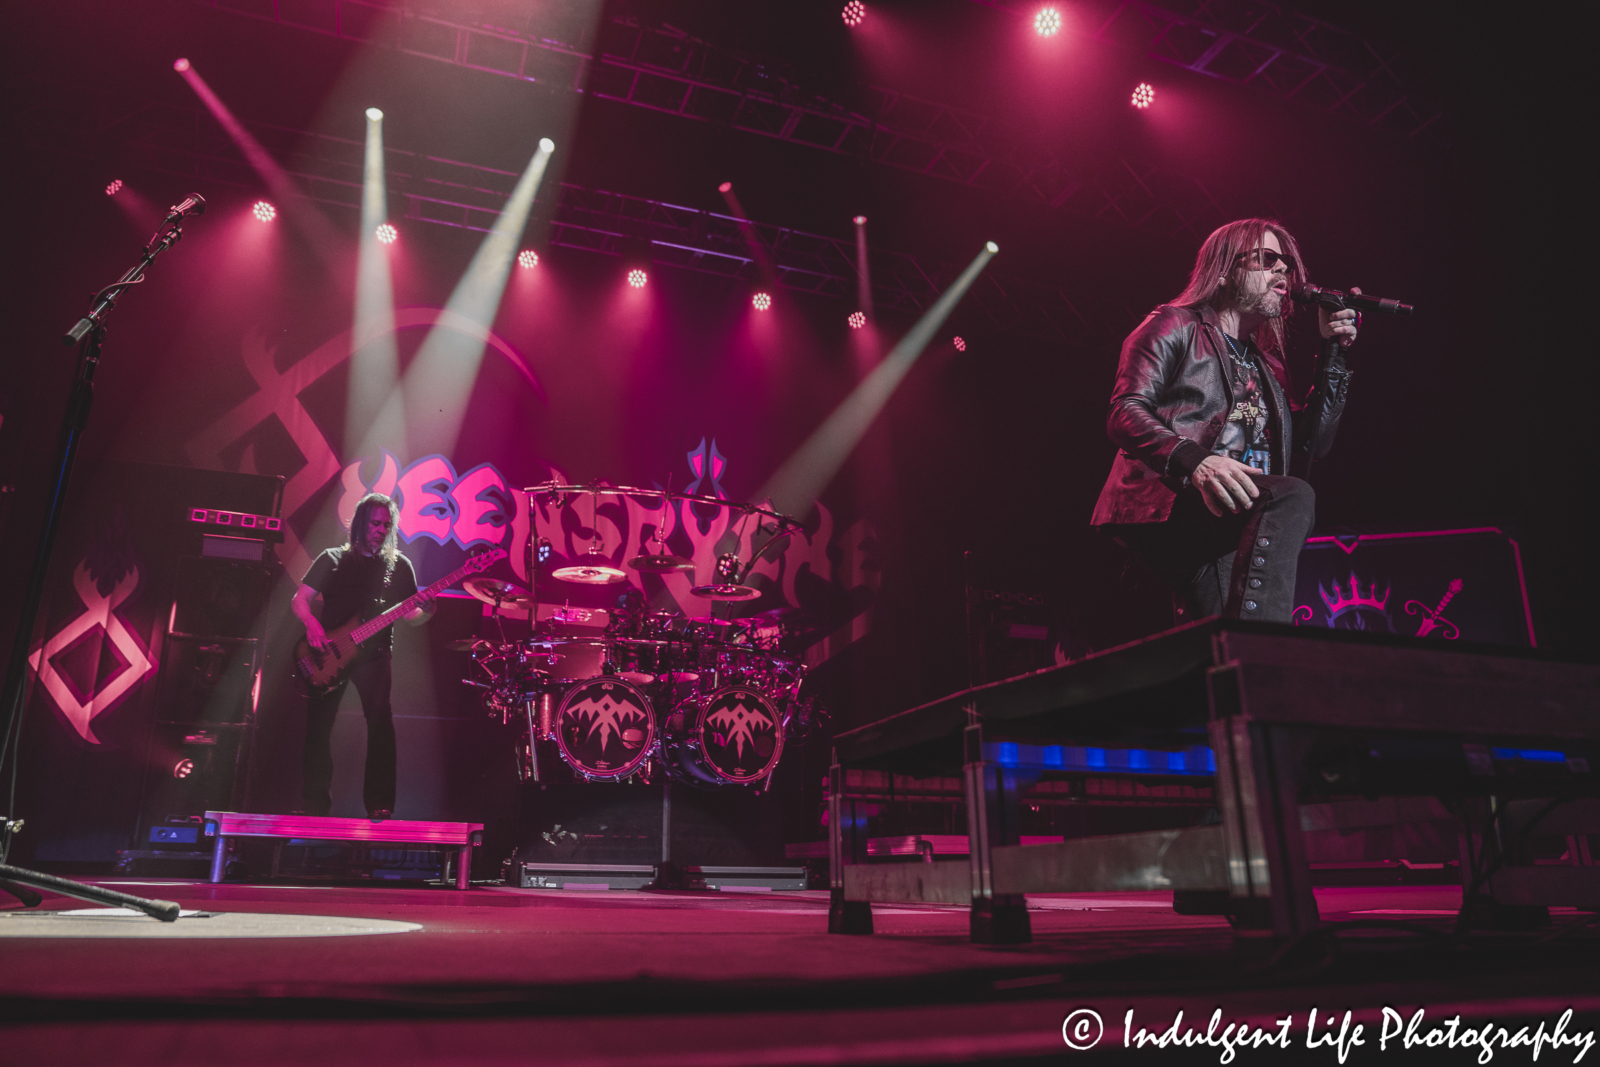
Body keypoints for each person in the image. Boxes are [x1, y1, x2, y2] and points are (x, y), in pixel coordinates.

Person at [1090, 218, 1358, 623]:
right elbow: (1124, 412)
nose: (1283, 269)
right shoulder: (1174, 324)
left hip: (1230, 517)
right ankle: (1265, 643)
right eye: (1267, 259)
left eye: (1286, 262)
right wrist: (1196, 461)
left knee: (1216, 645)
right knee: (1291, 495)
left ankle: (1248, 658)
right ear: (1223, 270)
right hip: (1171, 501)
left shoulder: (1268, 365)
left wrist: (1334, 353)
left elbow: (1313, 443)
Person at [290, 493, 433, 819]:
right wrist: (312, 623)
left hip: (375, 654)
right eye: (375, 523)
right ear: (360, 524)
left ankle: (380, 804)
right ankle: (314, 805)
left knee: (381, 723)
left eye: (387, 525)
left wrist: (426, 610)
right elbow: (300, 599)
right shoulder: (332, 558)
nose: (381, 530)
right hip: (328, 653)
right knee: (318, 727)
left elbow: (411, 616)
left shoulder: (399, 565)